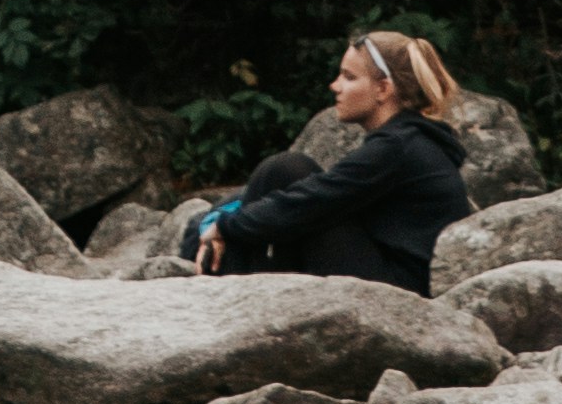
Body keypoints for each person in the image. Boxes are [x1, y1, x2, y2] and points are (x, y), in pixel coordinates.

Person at [181, 32, 469, 294]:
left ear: (383, 89)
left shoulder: (397, 147)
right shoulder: (408, 141)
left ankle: (233, 294)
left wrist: (225, 227)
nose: (335, 86)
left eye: (349, 77)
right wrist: (221, 222)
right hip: (383, 274)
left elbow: (312, 199)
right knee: (283, 189)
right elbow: (316, 195)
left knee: (286, 172)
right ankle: (237, 284)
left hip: (395, 294)